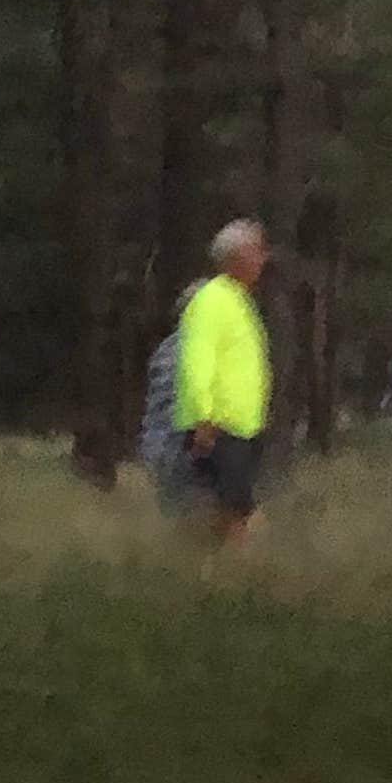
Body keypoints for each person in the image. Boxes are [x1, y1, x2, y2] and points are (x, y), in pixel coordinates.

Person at [174, 216, 272, 544]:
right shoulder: (213, 301)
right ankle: (230, 579)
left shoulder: (239, 301)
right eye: (257, 251)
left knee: (227, 511)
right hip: (218, 427)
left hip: (241, 427)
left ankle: (214, 577)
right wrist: (204, 417)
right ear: (236, 258)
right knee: (235, 513)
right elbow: (198, 360)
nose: (263, 259)